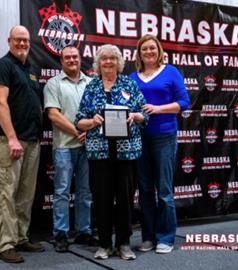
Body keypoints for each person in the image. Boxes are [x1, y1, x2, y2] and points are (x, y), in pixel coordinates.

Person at [75, 44, 148, 260]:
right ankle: (105, 244)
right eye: (104, 59)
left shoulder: (129, 84)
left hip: (127, 153)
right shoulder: (92, 87)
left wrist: (135, 116)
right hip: (100, 153)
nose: (108, 62)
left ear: (119, 62)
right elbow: (79, 121)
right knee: (102, 198)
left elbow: (145, 114)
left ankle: (124, 243)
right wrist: (92, 121)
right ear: (98, 63)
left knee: (125, 199)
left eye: (112, 58)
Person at [0, 25, 45, 264]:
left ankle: (21, 237)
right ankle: (6, 244)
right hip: (10, 140)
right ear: (9, 40)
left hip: (32, 141)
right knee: (7, 194)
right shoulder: (2, 66)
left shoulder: (30, 69)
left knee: (25, 195)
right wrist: (11, 137)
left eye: (25, 41)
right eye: (18, 40)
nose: (22, 44)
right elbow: (0, 103)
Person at [130, 34, 190, 254]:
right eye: (144, 49)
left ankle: (165, 237)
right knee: (145, 189)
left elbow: (184, 102)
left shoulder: (171, 72)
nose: (149, 52)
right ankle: (148, 237)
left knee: (164, 189)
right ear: (139, 53)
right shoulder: (132, 77)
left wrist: (158, 109)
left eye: (152, 49)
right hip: (140, 138)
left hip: (164, 135)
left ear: (159, 51)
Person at [43, 45, 97, 252]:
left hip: (88, 146)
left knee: (85, 191)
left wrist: (89, 132)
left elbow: (97, 112)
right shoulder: (53, 84)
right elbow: (53, 115)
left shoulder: (91, 83)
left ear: (80, 58)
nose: (72, 60)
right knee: (62, 191)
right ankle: (61, 233)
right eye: (68, 57)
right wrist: (77, 131)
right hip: (65, 146)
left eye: (75, 56)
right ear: (61, 61)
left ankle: (84, 231)